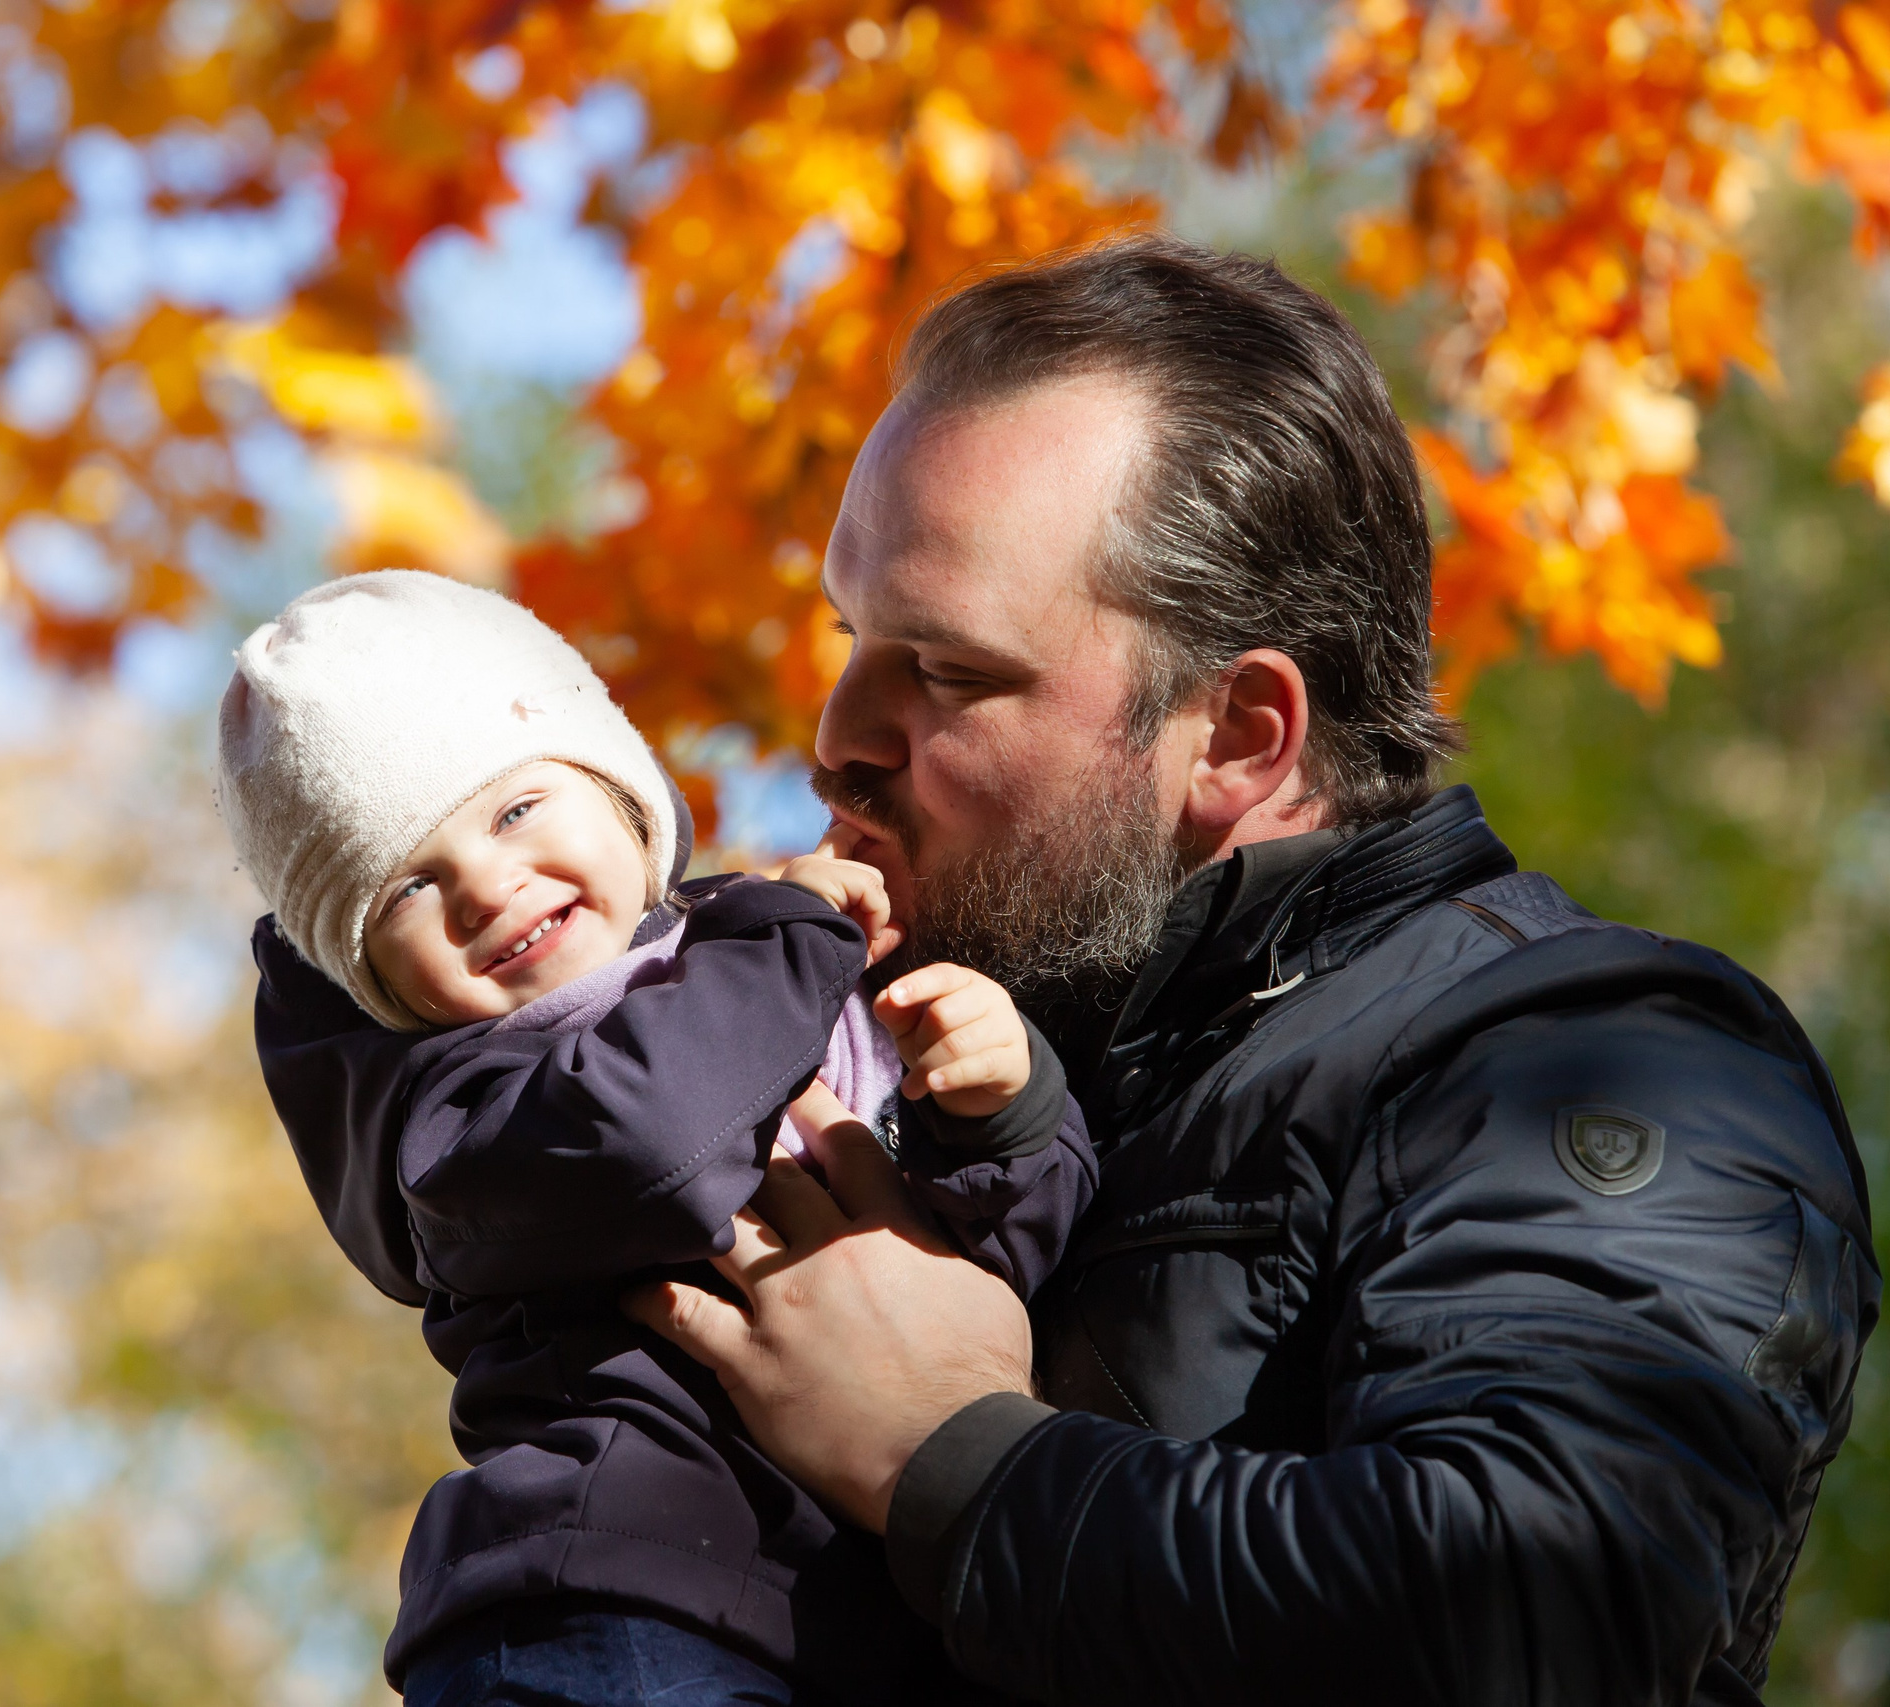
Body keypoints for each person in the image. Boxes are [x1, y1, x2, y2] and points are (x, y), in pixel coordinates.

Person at [625, 234, 1880, 1705]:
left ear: (1237, 734)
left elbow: (1553, 1602)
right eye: (854, 636)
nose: (834, 728)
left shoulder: (1590, 1044)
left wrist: (945, 1449)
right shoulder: (913, 1069)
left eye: (947, 670)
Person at [215, 569, 1096, 1706]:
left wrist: (1000, 1112)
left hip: (847, 1619)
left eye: (515, 808)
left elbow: (999, 1272)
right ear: (373, 980)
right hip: (611, 1605)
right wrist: (795, 936)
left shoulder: (775, 951)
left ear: (622, 791)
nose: (486, 883)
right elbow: (650, 1138)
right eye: (403, 893)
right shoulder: (459, 1113)